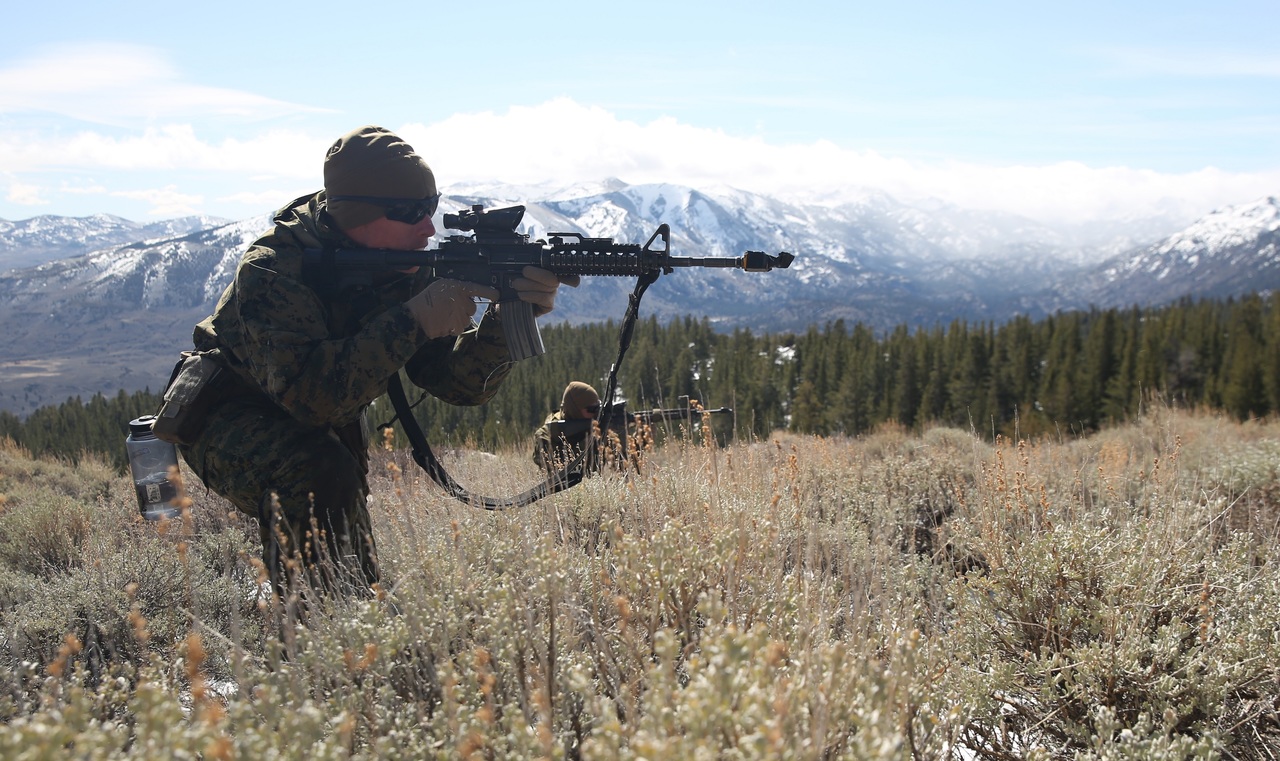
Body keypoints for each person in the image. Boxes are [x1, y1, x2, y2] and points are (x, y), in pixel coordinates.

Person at [177, 125, 571, 596]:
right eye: (409, 214)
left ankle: (351, 621)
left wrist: (506, 322)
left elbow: (458, 385)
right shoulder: (273, 269)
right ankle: (319, 637)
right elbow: (313, 399)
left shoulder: (401, 261)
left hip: (324, 414)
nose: (428, 227)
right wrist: (416, 320)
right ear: (355, 214)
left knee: (339, 504)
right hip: (227, 413)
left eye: (431, 207)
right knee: (319, 473)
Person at [532, 381, 614, 474]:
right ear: (574, 410)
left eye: (598, 407)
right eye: (592, 409)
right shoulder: (547, 435)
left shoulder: (592, 425)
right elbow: (564, 471)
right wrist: (593, 439)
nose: (597, 413)